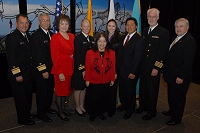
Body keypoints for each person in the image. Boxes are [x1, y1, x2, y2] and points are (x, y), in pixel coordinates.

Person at [135, 8, 170, 120]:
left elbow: (163, 52)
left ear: (158, 18)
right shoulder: (145, 30)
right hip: (143, 66)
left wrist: (157, 68)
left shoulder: (163, 32)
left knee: (152, 90)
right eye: (149, 16)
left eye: (153, 17)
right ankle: (143, 106)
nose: (151, 18)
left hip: (153, 68)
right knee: (143, 89)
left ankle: (152, 111)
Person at [163, 18, 197, 126]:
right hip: (171, 75)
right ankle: (172, 111)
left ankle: (176, 118)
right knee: (171, 95)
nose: (178, 28)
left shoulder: (189, 41)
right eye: (177, 26)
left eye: (181, 26)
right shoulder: (176, 37)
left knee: (178, 98)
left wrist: (181, 76)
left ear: (187, 27)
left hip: (180, 76)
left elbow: (188, 62)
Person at [6, 14, 35, 125]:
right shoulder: (12, 37)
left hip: (28, 73)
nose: (24, 25)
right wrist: (17, 74)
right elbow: (11, 58)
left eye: (26, 23)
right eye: (22, 23)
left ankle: (26, 114)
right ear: (17, 24)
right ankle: (23, 119)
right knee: (21, 98)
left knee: (27, 96)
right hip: (19, 75)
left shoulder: (27, 36)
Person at [117, 17, 145, 119]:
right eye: (127, 25)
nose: (129, 27)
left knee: (130, 91)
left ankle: (130, 109)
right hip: (122, 70)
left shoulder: (139, 40)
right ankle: (124, 105)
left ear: (136, 26)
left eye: (131, 25)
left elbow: (138, 58)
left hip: (131, 71)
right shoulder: (124, 37)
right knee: (123, 90)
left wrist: (133, 72)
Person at [30, 12, 56, 122]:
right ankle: (41, 113)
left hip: (52, 69)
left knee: (49, 91)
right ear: (39, 22)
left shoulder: (52, 34)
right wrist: (43, 70)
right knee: (42, 93)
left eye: (48, 20)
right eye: (44, 20)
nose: (46, 22)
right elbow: (37, 56)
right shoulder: (36, 36)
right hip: (43, 71)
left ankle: (47, 108)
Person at [84, 33, 115, 122]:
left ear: (106, 42)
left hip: (105, 80)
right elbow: (88, 67)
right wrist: (87, 79)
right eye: (100, 41)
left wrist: (112, 78)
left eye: (104, 41)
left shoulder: (112, 53)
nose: (102, 43)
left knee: (102, 98)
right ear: (96, 42)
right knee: (93, 98)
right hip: (93, 80)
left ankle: (100, 112)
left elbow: (113, 67)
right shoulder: (90, 53)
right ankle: (93, 114)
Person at [50, 14, 74, 121]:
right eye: (62, 23)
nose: (64, 26)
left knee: (66, 91)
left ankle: (63, 109)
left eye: (66, 23)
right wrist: (60, 72)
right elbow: (55, 57)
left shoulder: (72, 36)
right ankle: (60, 111)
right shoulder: (55, 38)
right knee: (60, 92)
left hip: (70, 68)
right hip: (60, 70)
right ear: (58, 25)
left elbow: (75, 50)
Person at [72, 18, 94, 117]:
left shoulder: (91, 38)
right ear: (81, 27)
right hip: (80, 69)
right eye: (84, 26)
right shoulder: (78, 39)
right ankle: (77, 107)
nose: (86, 28)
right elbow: (78, 55)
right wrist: (83, 69)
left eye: (88, 26)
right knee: (78, 88)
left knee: (84, 88)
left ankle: (81, 105)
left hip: (89, 69)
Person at [105, 19, 122, 117]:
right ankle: (105, 106)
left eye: (113, 26)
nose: (111, 28)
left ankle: (111, 109)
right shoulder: (104, 37)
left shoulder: (119, 38)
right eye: (109, 26)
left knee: (112, 89)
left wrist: (116, 71)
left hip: (113, 69)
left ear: (116, 27)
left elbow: (119, 57)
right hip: (104, 69)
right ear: (107, 27)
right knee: (105, 89)